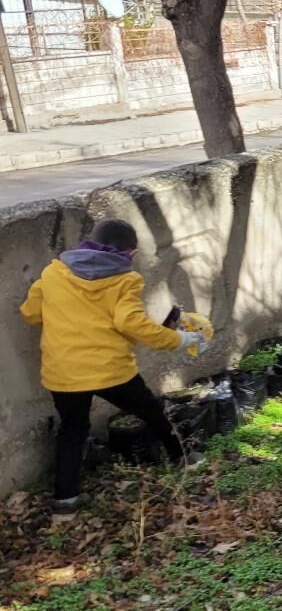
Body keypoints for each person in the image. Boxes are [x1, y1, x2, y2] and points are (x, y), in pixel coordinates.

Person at [19, 218, 209, 519]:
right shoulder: (125, 280)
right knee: (149, 410)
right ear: (129, 253)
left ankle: (65, 502)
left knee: (72, 430)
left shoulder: (54, 272)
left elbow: (30, 314)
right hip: (110, 371)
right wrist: (178, 338)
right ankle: (183, 457)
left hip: (63, 372)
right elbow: (130, 323)